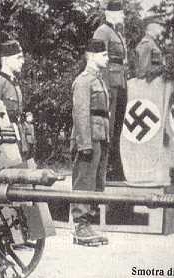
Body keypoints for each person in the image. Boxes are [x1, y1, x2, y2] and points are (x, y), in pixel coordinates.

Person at [70, 39, 110, 246]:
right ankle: (80, 226)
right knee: (84, 181)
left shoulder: (99, 80)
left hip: (100, 137)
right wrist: (84, 144)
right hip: (89, 139)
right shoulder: (84, 81)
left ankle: (89, 224)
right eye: (104, 55)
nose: (108, 58)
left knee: (96, 182)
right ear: (92, 56)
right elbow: (81, 113)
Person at [93, 0, 127, 181]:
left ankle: (114, 167)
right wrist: (104, 87)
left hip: (119, 82)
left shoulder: (117, 32)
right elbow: (99, 59)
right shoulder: (102, 31)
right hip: (110, 84)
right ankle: (105, 169)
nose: (123, 16)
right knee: (109, 127)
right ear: (110, 14)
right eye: (120, 13)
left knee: (117, 127)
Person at [0, 40, 29, 157]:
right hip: (2, 145)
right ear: (6, 60)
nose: (22, 61)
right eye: (18, 58)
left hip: (17, 139)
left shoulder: (15, 84)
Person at [135, 15, 165, 81]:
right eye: (160, 26)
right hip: (148, 84)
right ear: (152, 27)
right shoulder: (146, 43)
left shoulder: (152, 42)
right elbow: (143, 71)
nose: (162, 29)